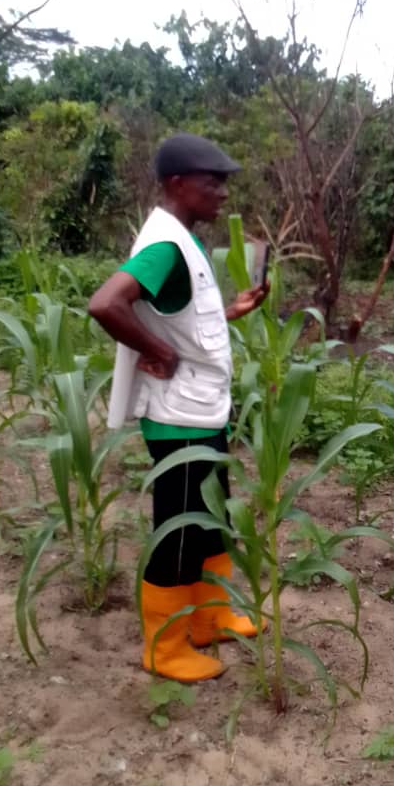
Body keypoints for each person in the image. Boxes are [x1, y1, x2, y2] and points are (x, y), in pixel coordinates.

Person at [89, 132, 269, 683]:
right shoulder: (165, 246)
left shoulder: (182, 241)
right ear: (176, 184)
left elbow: (184, 319)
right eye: (212, 182)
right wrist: (159, 351)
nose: (222, 193)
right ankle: (164, 649)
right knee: (180, 528)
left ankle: (209, 619)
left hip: (200, 409)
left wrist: (231, 312)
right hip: (178, 418)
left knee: (210, 518)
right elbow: (105, 304)